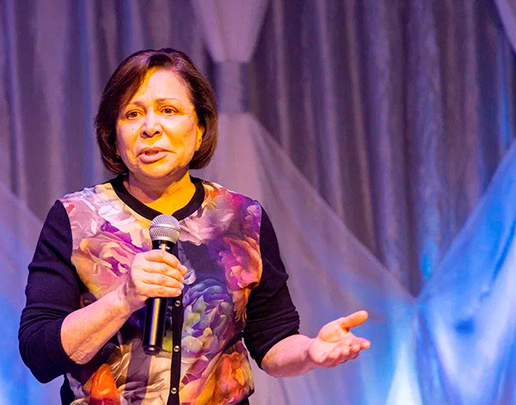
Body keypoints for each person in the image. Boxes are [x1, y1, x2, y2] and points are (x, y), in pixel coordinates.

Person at [19, 48, 370, 405]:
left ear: (200, 129)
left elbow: (273, 341)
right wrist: (122, 299)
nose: (150, 127)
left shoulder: (241, 218)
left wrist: (310, 352)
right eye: (132, 114)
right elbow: (39, 353)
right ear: (114, 137)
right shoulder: (76, 217)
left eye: (168, 110)